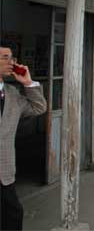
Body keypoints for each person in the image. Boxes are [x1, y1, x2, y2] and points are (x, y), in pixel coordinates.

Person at [0, 43, 47, 231]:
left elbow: (39, 108)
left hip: (4, 171)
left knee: (13, 215)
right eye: (4, 57)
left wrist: (28, 83)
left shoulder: (13, 95)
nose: (10, 61)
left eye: (11, 57)